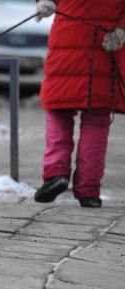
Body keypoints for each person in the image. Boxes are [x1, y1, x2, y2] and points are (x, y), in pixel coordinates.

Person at [34, 0, 125, 207]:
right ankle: (88, 190)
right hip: (105, 47)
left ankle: (56, 174)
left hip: (67, 44)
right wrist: (121, 31)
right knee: (97, 121)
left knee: (58, 110)